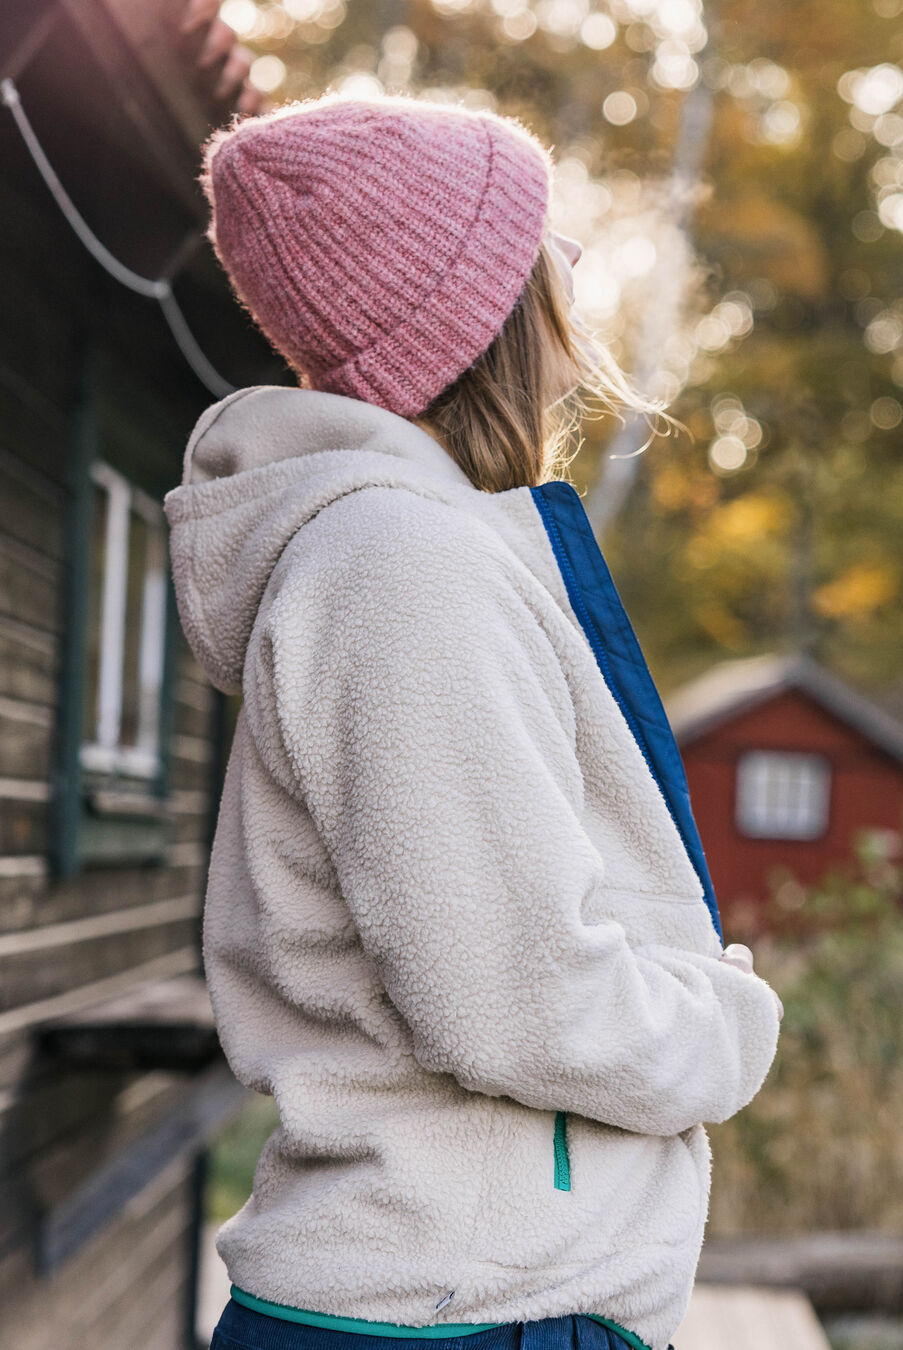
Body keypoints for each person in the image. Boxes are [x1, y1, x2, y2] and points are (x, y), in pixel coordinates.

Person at [163, 91, 784, 1350]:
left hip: (461, 1295)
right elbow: (518, 1000)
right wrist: (725, 1026)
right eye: (539, 235)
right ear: (478, 305)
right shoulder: (403, 568)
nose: (572, 259)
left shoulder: (412, 552)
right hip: (460, 1313)